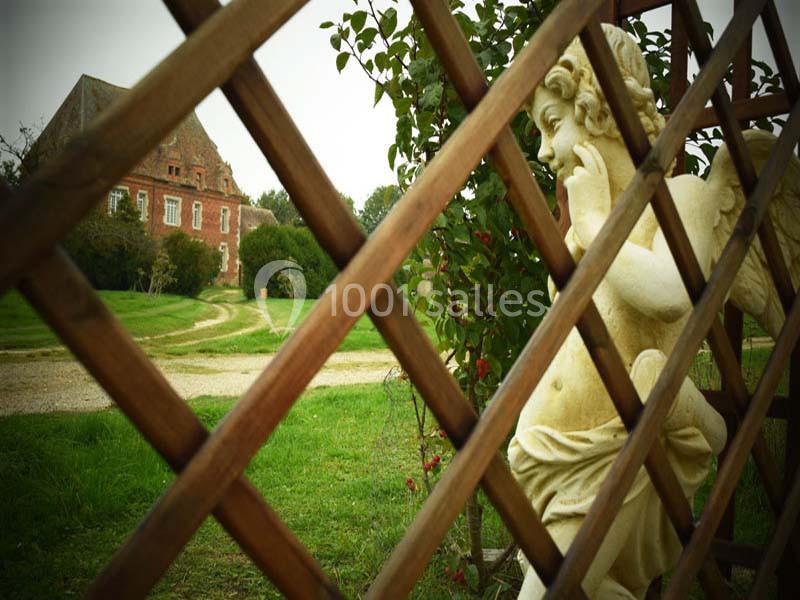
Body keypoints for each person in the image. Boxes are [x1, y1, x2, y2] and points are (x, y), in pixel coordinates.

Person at [508, 23, 754, 599]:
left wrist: (597, 226)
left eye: (552, 125)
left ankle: (699, 421)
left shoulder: (681, 198)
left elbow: (671, 291)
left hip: (614, 451)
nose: (542, 151)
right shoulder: (582, 228)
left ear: (598, 109)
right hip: (545, 459)